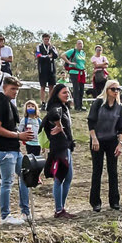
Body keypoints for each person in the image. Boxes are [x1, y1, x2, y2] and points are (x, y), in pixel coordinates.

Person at [0, 77, 32, 225]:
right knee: (7, 182)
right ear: (4, 87)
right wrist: (18, 135)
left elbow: (9, 127)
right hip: (4, 150)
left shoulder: (9, 104)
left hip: (14, 148)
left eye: (17, 89)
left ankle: (25, 211)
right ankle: (5, 216)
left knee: (25, 177)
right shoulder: (0, 103)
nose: (15, 92)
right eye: (13, 89)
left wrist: (20, 135)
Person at [87, 79, 122, 212]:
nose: (116, 92)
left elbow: (121, 128)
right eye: (113, 89)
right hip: (97, 139)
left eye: (118, 89)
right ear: (107, 90)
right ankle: (95, 202)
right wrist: (94, 139)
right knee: (97, 171)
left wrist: (120, 144)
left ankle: (114, 201)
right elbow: (91, 122)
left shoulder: (119, 107)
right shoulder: (98, 103)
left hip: (112, 141)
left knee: (113, 171)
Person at [42, 84, 75, 219]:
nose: (67, 94)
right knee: (60, 178)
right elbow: (53, 114)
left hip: (66, 146)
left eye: (68, 92)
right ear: (57, 94)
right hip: (59, 147)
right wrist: (59, 125)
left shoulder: (64, 107)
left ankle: (61, 208)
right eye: (64, 93)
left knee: (68, 177)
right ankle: (58, 209)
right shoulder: (56, 106)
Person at [34, 33, 59, 103]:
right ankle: (43, 102)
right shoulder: (39, 46)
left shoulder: (52, 47)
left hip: (51, 69)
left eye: (48, 39)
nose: (47, 41)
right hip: (43, 69)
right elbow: (38, 55)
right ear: (43, 39)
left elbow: (56, 55)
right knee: (43, 86)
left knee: (51, 86)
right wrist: (48, 56)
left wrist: (52, 50)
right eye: (45, 39)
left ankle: (50, 102)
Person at [63, 40, 87, 110]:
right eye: (79, 44)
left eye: (82, 44)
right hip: (74, 72)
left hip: (81, 72)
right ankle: (77, 106)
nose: (80, 45)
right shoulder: (72, 51)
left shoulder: (83, 53)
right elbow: (62, 55)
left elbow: (82, 63)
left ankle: (81, 105)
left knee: (81, 89)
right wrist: (69, 62)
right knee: (76, 89)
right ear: (76, 45)